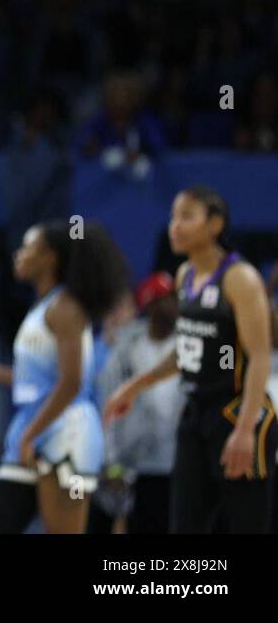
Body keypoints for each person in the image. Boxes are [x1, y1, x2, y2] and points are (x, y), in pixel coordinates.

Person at [105, 186, 277, 533]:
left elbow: (259, 356)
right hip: (195, 413)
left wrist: (244, 431)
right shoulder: (184, 276)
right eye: (173, 217)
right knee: (185, 525)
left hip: (237, 410)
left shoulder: (239, 278)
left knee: (247, 524)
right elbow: (186, 351)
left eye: (187, 216)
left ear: (215, 224)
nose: (175, 226)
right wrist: (133, 386)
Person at [0, 220, 127, 533]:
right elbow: (39, 383)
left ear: (50, 257)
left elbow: (71, 383)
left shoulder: (66, 308)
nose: (18, 255)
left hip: (66, 433)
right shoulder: (41, 307)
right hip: (31, 429)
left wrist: (30, 434)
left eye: (27, 247)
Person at [94, 271, 183, 534]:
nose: (173, 305)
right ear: (150, 305)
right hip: (138, 465)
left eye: (174, 298)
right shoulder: (124, 354)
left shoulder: (189, 347)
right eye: (165, 299)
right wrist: (112, 463)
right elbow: (108, 407)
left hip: (180, 463)